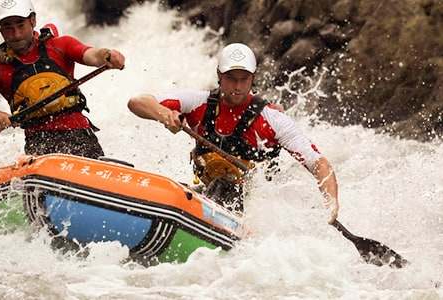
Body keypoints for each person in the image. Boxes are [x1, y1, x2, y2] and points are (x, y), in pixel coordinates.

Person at [127, 43, 339, 223]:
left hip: (251, 204)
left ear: (253, 78)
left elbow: (318, 163)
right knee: (212, 188)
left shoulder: (272, 119)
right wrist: (163, 113)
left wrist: (331, 204)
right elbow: (137, 102)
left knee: (225, 188)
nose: (237, 86)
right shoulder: (197, 102)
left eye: (244, 79)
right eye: (231, 78)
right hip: (207, 191)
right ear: (219, 76)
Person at [0, 0, 125, 159]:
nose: (16, 34)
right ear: (0, 29)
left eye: (20, 25)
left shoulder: (61, 45)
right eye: (8, 27)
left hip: (80, 136)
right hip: (38, 146)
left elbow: (91, 55)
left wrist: (107, 55)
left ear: (33, 20)